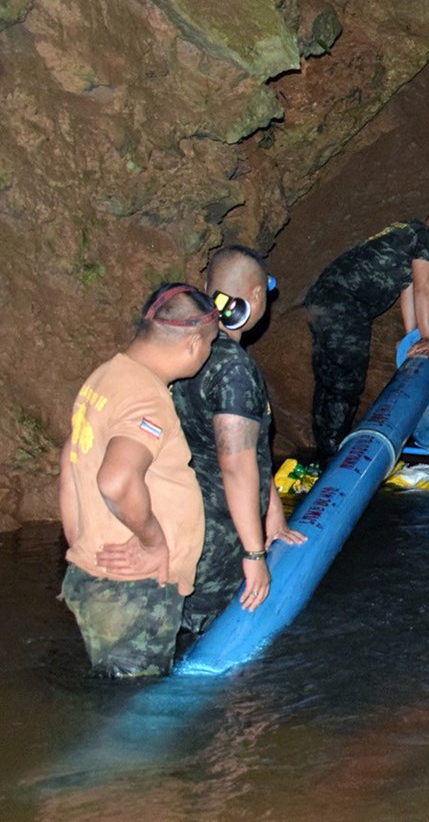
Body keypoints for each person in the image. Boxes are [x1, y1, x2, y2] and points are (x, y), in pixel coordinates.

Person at [57, 285, 216, 676]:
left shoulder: (106, 377)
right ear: (194, 343)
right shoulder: (147, 398)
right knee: (134, 717)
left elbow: (70, 459)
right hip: (134, 590)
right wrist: (154, 542)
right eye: (211, 345)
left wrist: (79, 539)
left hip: (98, 579)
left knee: (114, 696)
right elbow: (116, 479)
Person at [175, 248, 306, 635]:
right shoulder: (233, 369)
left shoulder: (185, 349)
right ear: (255, 297)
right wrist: (254, 553)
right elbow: (235, 463)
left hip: (180, 523)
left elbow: (245, 450)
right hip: (215, 543)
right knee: (208, 639)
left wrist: (273, 510)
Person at [303, 206, 429, 458]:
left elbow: (409, 289)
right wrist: (428, 337)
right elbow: (425, 288)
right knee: (345, 384)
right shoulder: (427, 237)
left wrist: (413, 337)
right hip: (344, 305)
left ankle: (322, 453)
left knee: (329, 381)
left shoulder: (405, 233)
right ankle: (332, 459)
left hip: (322, 300)